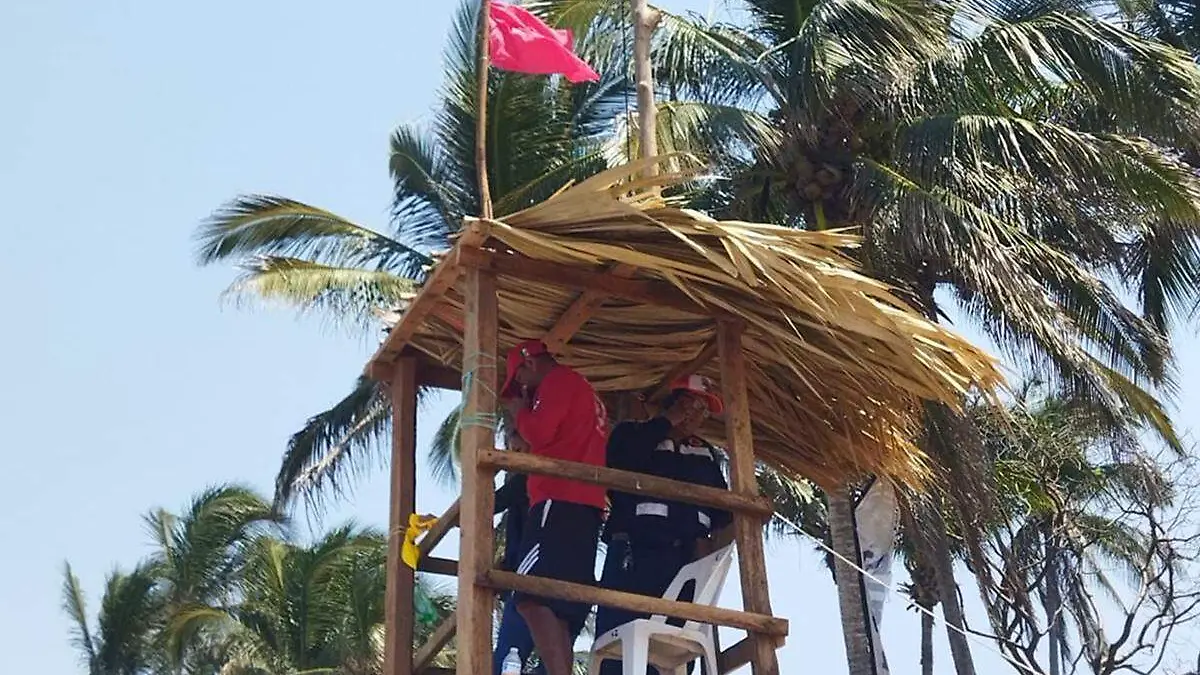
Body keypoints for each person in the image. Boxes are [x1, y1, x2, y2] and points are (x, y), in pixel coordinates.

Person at [595, 374, 734, 675]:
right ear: (675, 402)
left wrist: (710, 555)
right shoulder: (633, 433)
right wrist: (665, 423)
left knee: (675, 645)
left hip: (683, 563)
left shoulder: (705, 452)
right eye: (693, 405)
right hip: (634, 555)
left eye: (704, 411)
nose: (698, 416)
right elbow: (619, 463)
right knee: (621, 643)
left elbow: (723, 512)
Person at [501, 339, 609, 675]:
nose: (522, 390)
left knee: (529, 595)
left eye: (519, 381)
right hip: (585, 506)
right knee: (559, 606)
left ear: (529, 364)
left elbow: (541, 433)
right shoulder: (584, 390)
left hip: (557, 500)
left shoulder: (558, 381)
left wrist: (520, 412)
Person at [492, 428, 587, 675]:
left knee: (509, 659)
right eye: (513, 451)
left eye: (521, 449)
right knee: (529, 658)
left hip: (539, 581)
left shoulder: (538, 478)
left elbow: (491, 502)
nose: (517, 457)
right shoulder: (531, 485)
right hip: (545, 579)